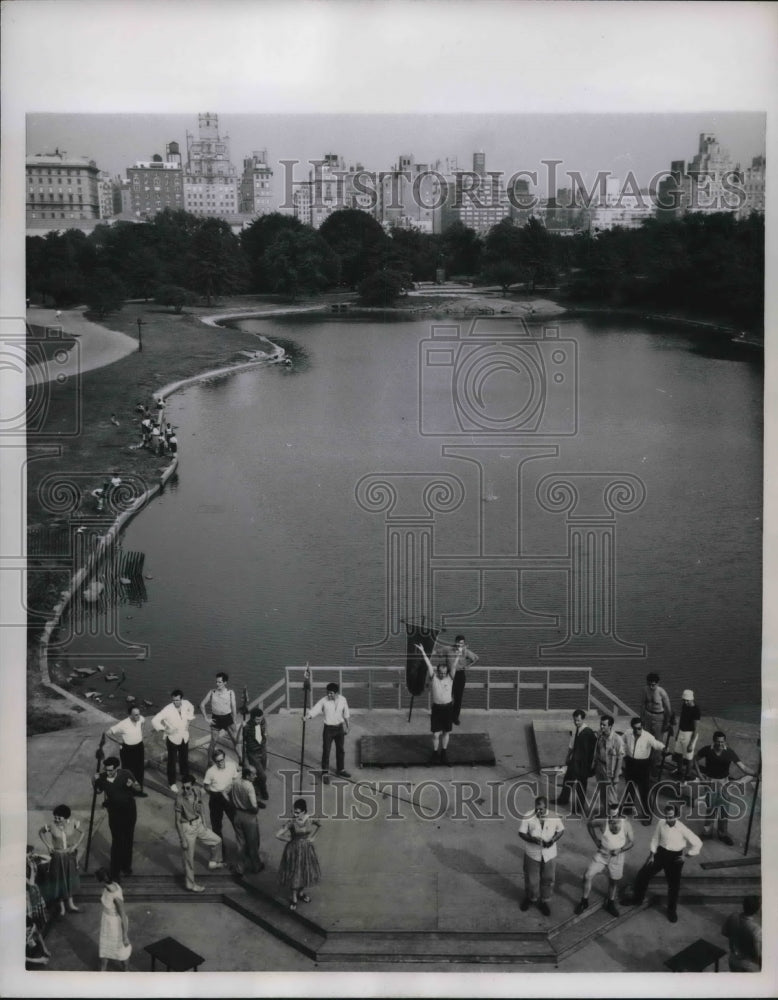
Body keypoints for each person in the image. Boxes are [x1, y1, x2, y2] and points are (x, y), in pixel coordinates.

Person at [628, 802, 702, 923]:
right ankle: (637, 900)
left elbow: (698, 843)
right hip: (660, 853)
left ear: (677, 816)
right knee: (643, 874)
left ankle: (671, 911)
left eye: (671, 816)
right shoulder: (661, 823)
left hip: (675, 858)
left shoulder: (682, 828)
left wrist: (686, 856)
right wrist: (652, 855)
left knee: (674, 886)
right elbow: (655, 839)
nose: (668, 819)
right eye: (666, 816)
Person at [693, 730, 756, 846]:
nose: (720, 745)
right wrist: (700, 775)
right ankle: (707, 833)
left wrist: (756, 773)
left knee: (723, 808)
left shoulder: (730, 752)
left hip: (724, 782)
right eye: (718, 742)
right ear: (714, 742)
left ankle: (723, 834)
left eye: (722, 742)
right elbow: (695, 759)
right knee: (711, 808)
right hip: (710, 781)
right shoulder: (707, 750)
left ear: (725, 742)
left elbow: (744, 768)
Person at [574, 803, 634, 917]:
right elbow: (589, 825)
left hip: (617, 856)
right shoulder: (602, 821)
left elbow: (631, 842)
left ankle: (610, 903)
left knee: (613, 881)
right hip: (602, 854)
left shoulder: (626, 824)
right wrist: (596, 840)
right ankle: (584, 901)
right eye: (610, 817)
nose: (612, 820)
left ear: (620, 815)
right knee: (587, 875)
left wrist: (620, 850)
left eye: (615, 817)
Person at [174, 774, 225, 892]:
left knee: (217, 840)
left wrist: (204, 821)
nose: (185, 790)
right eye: (183, 787)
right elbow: (177, 821)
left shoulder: (197, 791)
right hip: (187, 828)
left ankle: (213, 862)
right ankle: (190, 885)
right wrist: (182, 839)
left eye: (188, 788)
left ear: (193, 786)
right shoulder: (179, 799)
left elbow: (200, 805)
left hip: (199, 824)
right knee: (188, 859)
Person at [93, 756, 141, 880]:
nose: (108, 772)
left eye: (110, 770)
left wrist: (132, 785)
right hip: (114, 814)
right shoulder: (103, 778)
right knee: (117, 842)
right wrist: (94, 780)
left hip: (129, 812)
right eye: (106, 769)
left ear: (116, 769)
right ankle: (115, 871)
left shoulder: (126, 774)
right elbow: (97, 791)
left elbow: (138, 788)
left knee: (128, 840)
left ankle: (126, 867)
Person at [518, 795, 565, 917]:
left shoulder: (554, 816)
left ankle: (544, 901)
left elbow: (561, 830)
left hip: (549, 855)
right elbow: (521, 833)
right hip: (532, 854)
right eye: (537, 809)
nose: (539, 812)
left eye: (542, 809)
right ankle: (530, 898)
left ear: (546, 808)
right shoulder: (528, 815)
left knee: (548, 879)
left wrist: (553, 840)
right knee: (531, 880)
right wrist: (532, 839)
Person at [276, 798, 321, 911]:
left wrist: (313, 837)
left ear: (304, 811)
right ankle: (294, 898)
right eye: (294, 812)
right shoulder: (291, 822)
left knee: (305, 871)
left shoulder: (310, 818)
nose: (295, 814)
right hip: (294, 850)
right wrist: (289, 840)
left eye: (297, 812)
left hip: (306, 849)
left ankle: (301, 893)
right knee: (295, 873)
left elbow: (319, 825)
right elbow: (278, 835)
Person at [38, 804, 84, 916]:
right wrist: (48, 845)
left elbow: (83, 832)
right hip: (57, 857)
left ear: (66, 817)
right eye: (55, 817)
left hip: (69, 856)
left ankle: (71, 904)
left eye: (59, 817)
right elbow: (41, 832)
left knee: (69, 879)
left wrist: (76, 845)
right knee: (59, 880)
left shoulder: (73, 823)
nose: (56, 819)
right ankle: (62, 907)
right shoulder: (51, 825)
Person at [416, 643, 457, 765]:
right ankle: (435, 754)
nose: (442, 675)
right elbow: (428, 663)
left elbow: (454, 666)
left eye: (444, 673)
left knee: (446, 732)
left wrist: (458, 655)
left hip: (448, 708)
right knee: (435, 734)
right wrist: (423, 651)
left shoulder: (450, 678)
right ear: (437, 671)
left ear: (447, 673)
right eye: (441, 672)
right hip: (437, 709)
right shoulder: (433, 677)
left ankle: (444, 753)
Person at [305, 681, 352, 782]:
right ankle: (325, 773)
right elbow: (315, 709)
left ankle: (341, 769)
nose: (328, 695)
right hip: (328, 730)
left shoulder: (343, 700)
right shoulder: (324, 700)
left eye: (331, 693)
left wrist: (348, 727)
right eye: (328, 693)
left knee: (340, 750)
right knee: (326, 751)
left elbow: (346, 714)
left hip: (339, 728)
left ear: (336, 693)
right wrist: (307, 716)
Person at [623, 717, 666, 824]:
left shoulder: (647, 736)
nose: (637, 730)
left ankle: (647, 815)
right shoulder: (628, 733)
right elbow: (620, 740)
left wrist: (664, 748)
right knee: (629, 787)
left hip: (643, 766)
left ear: (642, 727)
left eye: (639, 728)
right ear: (632, 727)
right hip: (630, 763)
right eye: (635, 728)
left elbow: (657, 744)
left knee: (644, 792)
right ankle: (628, 808)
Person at [151, 689, 196, 792]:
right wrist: (165, 729)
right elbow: (154, 720)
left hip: (184, 737)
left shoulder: (186, 703)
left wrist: (189, 721)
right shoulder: (167, 709)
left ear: (181, 699)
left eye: (177, 700)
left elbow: (192, 707)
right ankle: (172, 783)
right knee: (172, 761)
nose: (175, 702)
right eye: (173, 700)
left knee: (184, 758)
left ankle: (185, 778)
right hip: (172, 739)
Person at [555, 709, 597, 811]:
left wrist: (591, 765)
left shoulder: (588, 732)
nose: (576, 722)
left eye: (578, 720)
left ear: (583, 719)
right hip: (574, 761)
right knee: (567, 780)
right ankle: (563, 799)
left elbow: (593, 750)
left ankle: (579, 807)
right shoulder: (576, 729)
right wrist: (567, 757)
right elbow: (572, 745)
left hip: (583, 764)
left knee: (581, 785)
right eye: (574, 720)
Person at [433, 634, 478, 726]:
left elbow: (476, 658)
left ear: (464, 644)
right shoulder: (447, 649)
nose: (459, 645)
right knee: (446, 696)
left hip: (460, 676)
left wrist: (467, 666)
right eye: (458, 643)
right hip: (448, 675)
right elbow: (435, 652)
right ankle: (444, 716)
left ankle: (455, 718)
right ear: (455, 642)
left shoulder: (465, 651)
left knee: (458, 698)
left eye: (461, 643)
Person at [228, 765, 264, 875]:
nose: (256, 776)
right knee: (253, 843)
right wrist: (256, 809)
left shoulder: (236, 781)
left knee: (240, 843)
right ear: (248, 775)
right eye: (254, 774)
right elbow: (253, 805)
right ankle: (256, 866)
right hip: (249, 816)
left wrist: (233, 803)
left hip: (237, 815)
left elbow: (226, 792)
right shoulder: (249, 787)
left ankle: (240, 868)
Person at [95, 866, 131, 971]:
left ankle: (126, 970)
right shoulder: (112, 885)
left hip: (115, 925)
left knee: (120, 949)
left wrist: (125, 936)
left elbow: (123, 916)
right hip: (106, 921)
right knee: (105, 947)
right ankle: (103, 969)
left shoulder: (115, 896)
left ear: (103, 880)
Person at [106, 705, 147, 795]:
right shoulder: (123, 724)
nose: (138, 716)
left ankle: (139, 791)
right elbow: (108, 733)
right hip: (128, 750)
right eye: (135, 715)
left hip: (139, 747)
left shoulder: (140, 718)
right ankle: (128, 792)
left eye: (139, 714)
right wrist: (118, 741)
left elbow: (144, 721)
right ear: (130, 715)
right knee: (128, 771)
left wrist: (141, 732)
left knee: (140, 769)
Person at [200, 671, 241, 758]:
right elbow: (202, 705)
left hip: (228, 718)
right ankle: (209, 762)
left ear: (225, 682)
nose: (217, 684)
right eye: (216, 682)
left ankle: (241, 760)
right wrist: (206, 718)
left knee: (235, 741)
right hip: (216, 719)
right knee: (213, 741)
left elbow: (234, 706)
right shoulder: (212, 692)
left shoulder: (230, 692)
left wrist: (234, 719)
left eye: (220, 682)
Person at [202, 748, 239, 841]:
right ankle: (220, 850)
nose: (220, 763)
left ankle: (242, 846)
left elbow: (235, 778)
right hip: (216, 798)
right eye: (217, 761)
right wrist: (213, 794)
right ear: (214, 762)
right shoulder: (210, 772)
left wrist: (230, 789)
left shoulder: (232, 766)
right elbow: (206, 785)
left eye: (222, 760)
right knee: (216, 825)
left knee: (236, 822)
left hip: (229, 796)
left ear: (224, 758)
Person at [591, 715, 625, 816]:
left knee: (612, 795)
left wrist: (616, 776)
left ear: (610, 726)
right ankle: (604, 813)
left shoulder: (617, 739)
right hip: (600, 767)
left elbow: (620, 758)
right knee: (602, 792)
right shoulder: (600, 736)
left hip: (610, 770)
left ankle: (614, 816)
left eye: (604, 725)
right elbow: (596, 751)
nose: (601, 727)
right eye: (601, 724)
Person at [640, 672, 672, 774]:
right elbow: (642, 705)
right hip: (648, 715)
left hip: (659, 717)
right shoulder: (645, 690)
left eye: (653, 684)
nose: (651, 686)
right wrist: (642, 719)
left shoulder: (662, 692)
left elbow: (668, 709)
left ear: (658, 683)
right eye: (649, 684)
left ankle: (655, 765)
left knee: (658, 742)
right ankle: (646, 762)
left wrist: (666, 723)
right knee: (646, 739)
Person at [722, 895, 761, 971]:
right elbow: (757, 954)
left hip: (732, 961)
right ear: (757, 910)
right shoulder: (756, 929)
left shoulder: (732, 916)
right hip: (749, 966)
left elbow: (724, 932)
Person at [670, 689, 701, 781]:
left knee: (689, 757)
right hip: (681, 732)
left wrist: (691, 743)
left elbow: (696, 728)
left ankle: (688, 775)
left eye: (688, 700)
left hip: (689, 734)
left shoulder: (696, 710)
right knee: (678, 754)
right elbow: (682, 721)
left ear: (692, 699)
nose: (686, 702)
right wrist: (677, 734)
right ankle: (679, 771)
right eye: (684, 700)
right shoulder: (684, 706)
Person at [242, 706, 269, 805]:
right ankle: (263, 790)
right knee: (262, 775)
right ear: (252, 718)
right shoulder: (247, 727)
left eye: (261, 718)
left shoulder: (262, 721)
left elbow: (265, 730)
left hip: (262, 750)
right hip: (253, 753)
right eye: (257, 719)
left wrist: (265, 735)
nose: (259, 721)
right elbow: (241, 741)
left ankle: (257, 787)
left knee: (262, 771)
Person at [26, 845, 49, 930]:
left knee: (38, 911)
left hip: (34, 889)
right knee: (31, 913)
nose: (31, 854)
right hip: (28, 893)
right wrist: (32, 869)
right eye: (29, 852)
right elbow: (31, 883)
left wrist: (38, 855)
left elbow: (48, 859)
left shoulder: (32, 861)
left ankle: (39, 928)